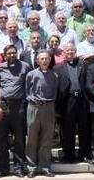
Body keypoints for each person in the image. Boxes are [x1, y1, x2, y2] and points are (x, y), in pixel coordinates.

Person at [0, 45, 31, 177]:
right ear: (5, 55)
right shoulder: (0, 68)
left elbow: (30, 84)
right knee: (1, 139)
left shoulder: (25, 66)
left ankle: (18, 168)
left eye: (14, 53)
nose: (12, 55)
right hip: (3, 105)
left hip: (19, 106)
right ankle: (2, 169)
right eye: (9, 53)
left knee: (20, 139)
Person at [54, 42, 90, 163]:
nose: (70, 52)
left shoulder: (83, 65)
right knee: (68, 129)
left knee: (83, 129)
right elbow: (57, 88)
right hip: (67, 101)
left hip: (81, 100)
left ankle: (84, 154)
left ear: (75, 52)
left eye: (72, 50)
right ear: (64, 53)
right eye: (67, 50)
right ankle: (69, 155)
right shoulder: (57, 68)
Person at [25, 50, 58, 178]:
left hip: (49, 108)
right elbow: (27, 90)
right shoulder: (31, 74)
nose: (44, 61)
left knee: (46, 138)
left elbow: (55, 92)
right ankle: (31, 167)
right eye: (42, 59)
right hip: (33, 107)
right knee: (32, 137)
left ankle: (44, 166)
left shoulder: (54, 75)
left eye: (46, 59)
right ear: (38, 61)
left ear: (50, 60)